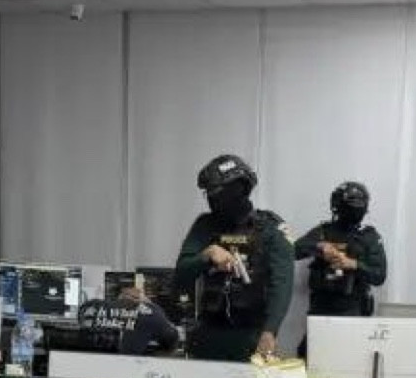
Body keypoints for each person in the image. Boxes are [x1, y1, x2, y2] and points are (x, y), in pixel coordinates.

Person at [173, 153, 293, 362]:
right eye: (208, 193)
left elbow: (282, 284)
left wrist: (270, 331)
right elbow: (181, 273)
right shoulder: (205, 225)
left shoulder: (271, 227)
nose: (211, 199)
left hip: (252, 335)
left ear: (239, 189)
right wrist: (207, 255)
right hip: (209, 332)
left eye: (215, 192)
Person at [293, 181, 388, 326]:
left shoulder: (368, 236)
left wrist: (353, 264)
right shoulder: (324, 231)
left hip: (353, 311)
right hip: (321, 309)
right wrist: (320, 247)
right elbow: (294, 250)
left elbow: (379, 275)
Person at [75, 285, 180, 356]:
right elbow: (127, 359)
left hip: (90, 307)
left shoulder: (157, 309)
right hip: (89, 328)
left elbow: (141, 301)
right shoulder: (145, 330)